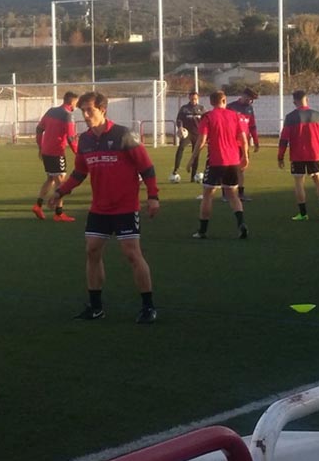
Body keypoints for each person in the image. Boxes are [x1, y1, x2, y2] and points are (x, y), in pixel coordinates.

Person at [48, 92, 160, 324]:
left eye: (90, 110)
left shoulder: (123, 135)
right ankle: (96, 307)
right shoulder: (86, 140)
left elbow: (146, 167)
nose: (86, 115)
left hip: (125, 207)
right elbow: (79, 172)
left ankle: (148, 306)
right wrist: (60, 191)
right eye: (83, 111)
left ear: (103, 110)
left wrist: (153, 196)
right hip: (99, 208)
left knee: (132, 254)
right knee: (92, 251)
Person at [190, 91, 250, 239]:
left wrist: (192, 158)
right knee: (233, 195)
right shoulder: (235, 115)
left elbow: (202, 140)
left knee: (207, 195)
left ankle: (202, 231)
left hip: (216, 161)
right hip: (233, 161)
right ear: (224, 100)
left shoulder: (208, 116)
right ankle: (241, 223)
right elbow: (243, 138)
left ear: (211, 102)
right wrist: (245, 156)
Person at [278, 91, 319, 221]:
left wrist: (280, 156)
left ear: (294, 102)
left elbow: (284, 139)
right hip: (314, 154)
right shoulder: (317, 115)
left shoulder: (290, 117)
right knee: (318, 181)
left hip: (297, 155)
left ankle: (303, 214)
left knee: (299, 183)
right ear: (307, 99)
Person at [32, 91, 79, 222]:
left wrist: (40, 146)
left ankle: (38, 205)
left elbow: (39, 129)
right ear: (72, 102)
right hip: (56, 152)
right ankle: (58, 213)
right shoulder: (68, 115)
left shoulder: (51, 111)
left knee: (50, 179)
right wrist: (78, 153)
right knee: (61, 182)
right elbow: (71, 137)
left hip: (46, 151)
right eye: (76, 102)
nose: (76, 105)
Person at [226, 88, 259, 201]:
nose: (250, 101)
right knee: (228, 168)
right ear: (243, 95)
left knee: (241, 168)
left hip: (243, 144)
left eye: (252, 100)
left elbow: (252, 126)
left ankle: (240, 193)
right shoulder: (231, 107)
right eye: (249, 99)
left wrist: (256, 141)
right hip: (231, 142)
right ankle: (226, 194)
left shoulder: (250, 108)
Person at [171, 91, 206, 182]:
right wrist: (180, 127)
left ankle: (193, 176)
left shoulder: (201, 108)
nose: (193, 100)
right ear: (189, 98)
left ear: (197, 98)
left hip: (197, 134)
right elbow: (179, 119)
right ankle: (175, 169)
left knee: (196, 153)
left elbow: (205, 121)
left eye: (195, 98)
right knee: (181, 147)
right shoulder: (184, 108)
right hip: (187, 133)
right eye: (192, 98)